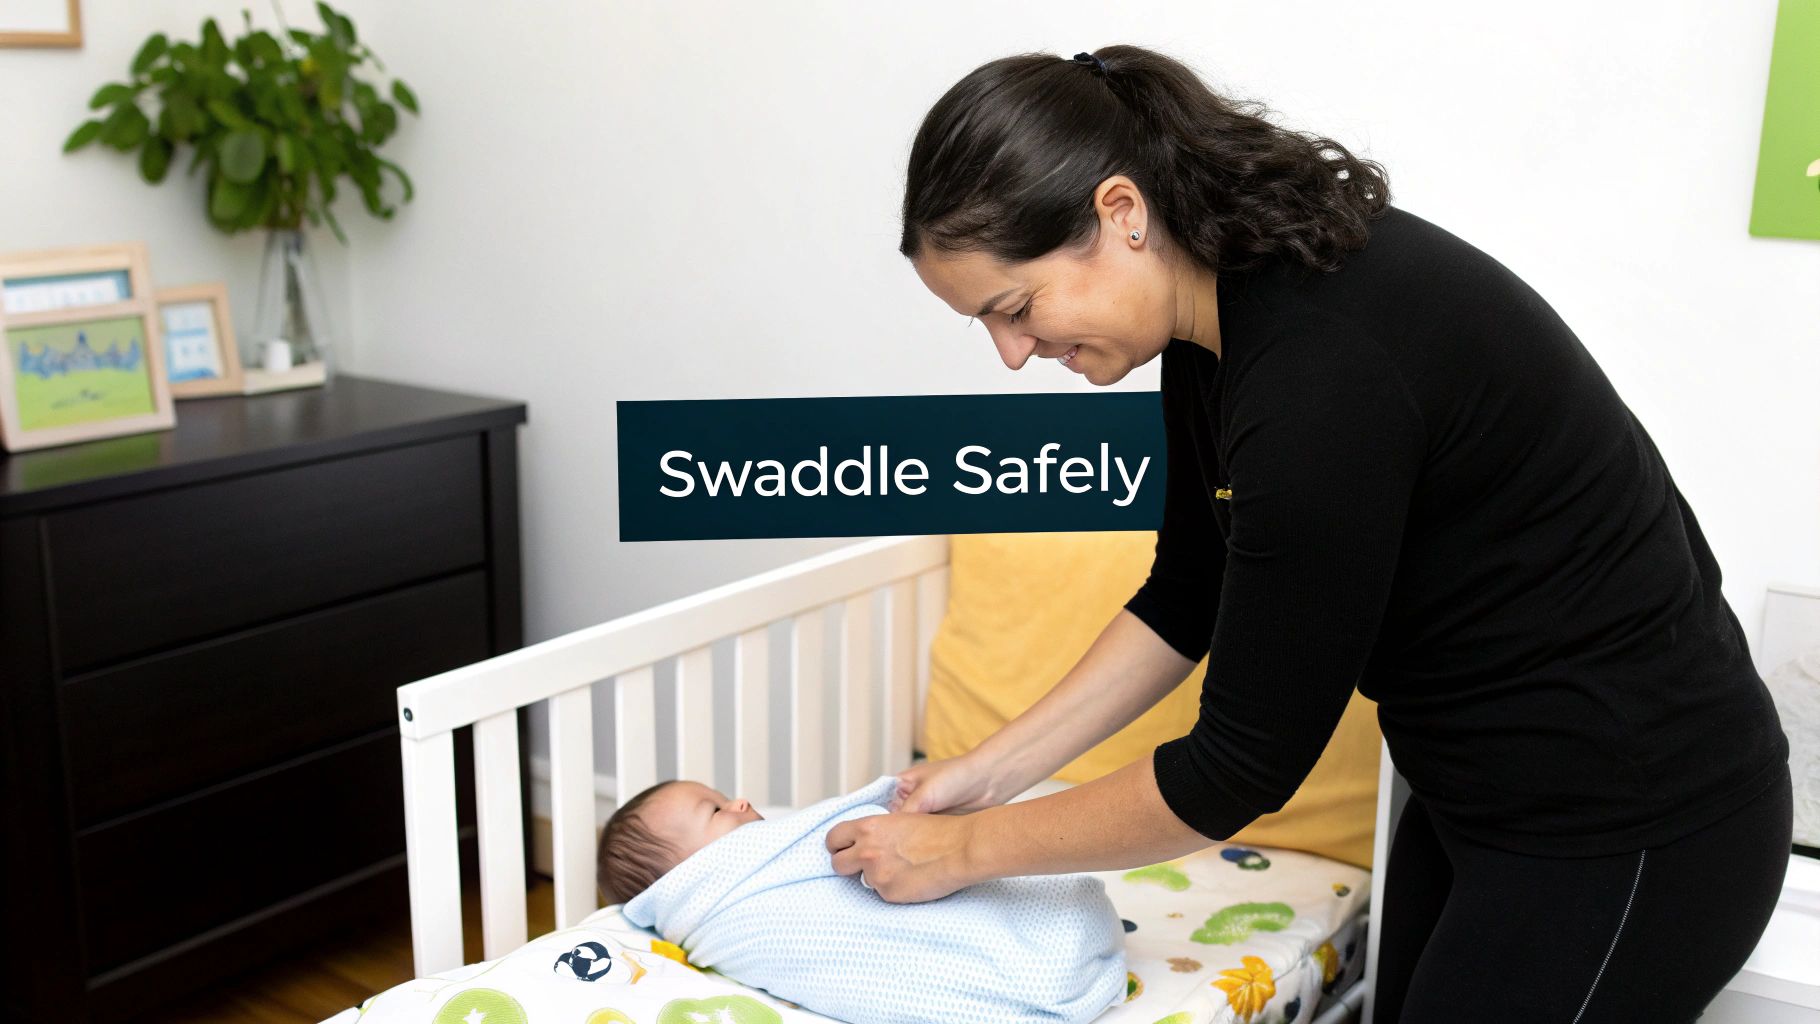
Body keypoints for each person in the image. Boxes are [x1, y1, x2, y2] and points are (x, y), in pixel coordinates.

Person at [823, 44, 1793, 1022]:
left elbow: (1233, 769)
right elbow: (1188, 590)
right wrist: (986, 771)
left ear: (1119, 213)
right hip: (1472, 791)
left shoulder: (1316, 375)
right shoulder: (1217, 323)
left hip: (1631, 815)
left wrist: (966, 851)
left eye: (1016, 308)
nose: (1012, 353)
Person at [604, 776, 1126, 1024]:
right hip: (1060, 953)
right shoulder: (726, 912)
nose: (739, 799)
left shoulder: (770, 855)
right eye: (716, 810)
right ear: (688, 876)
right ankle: (1035, 961)